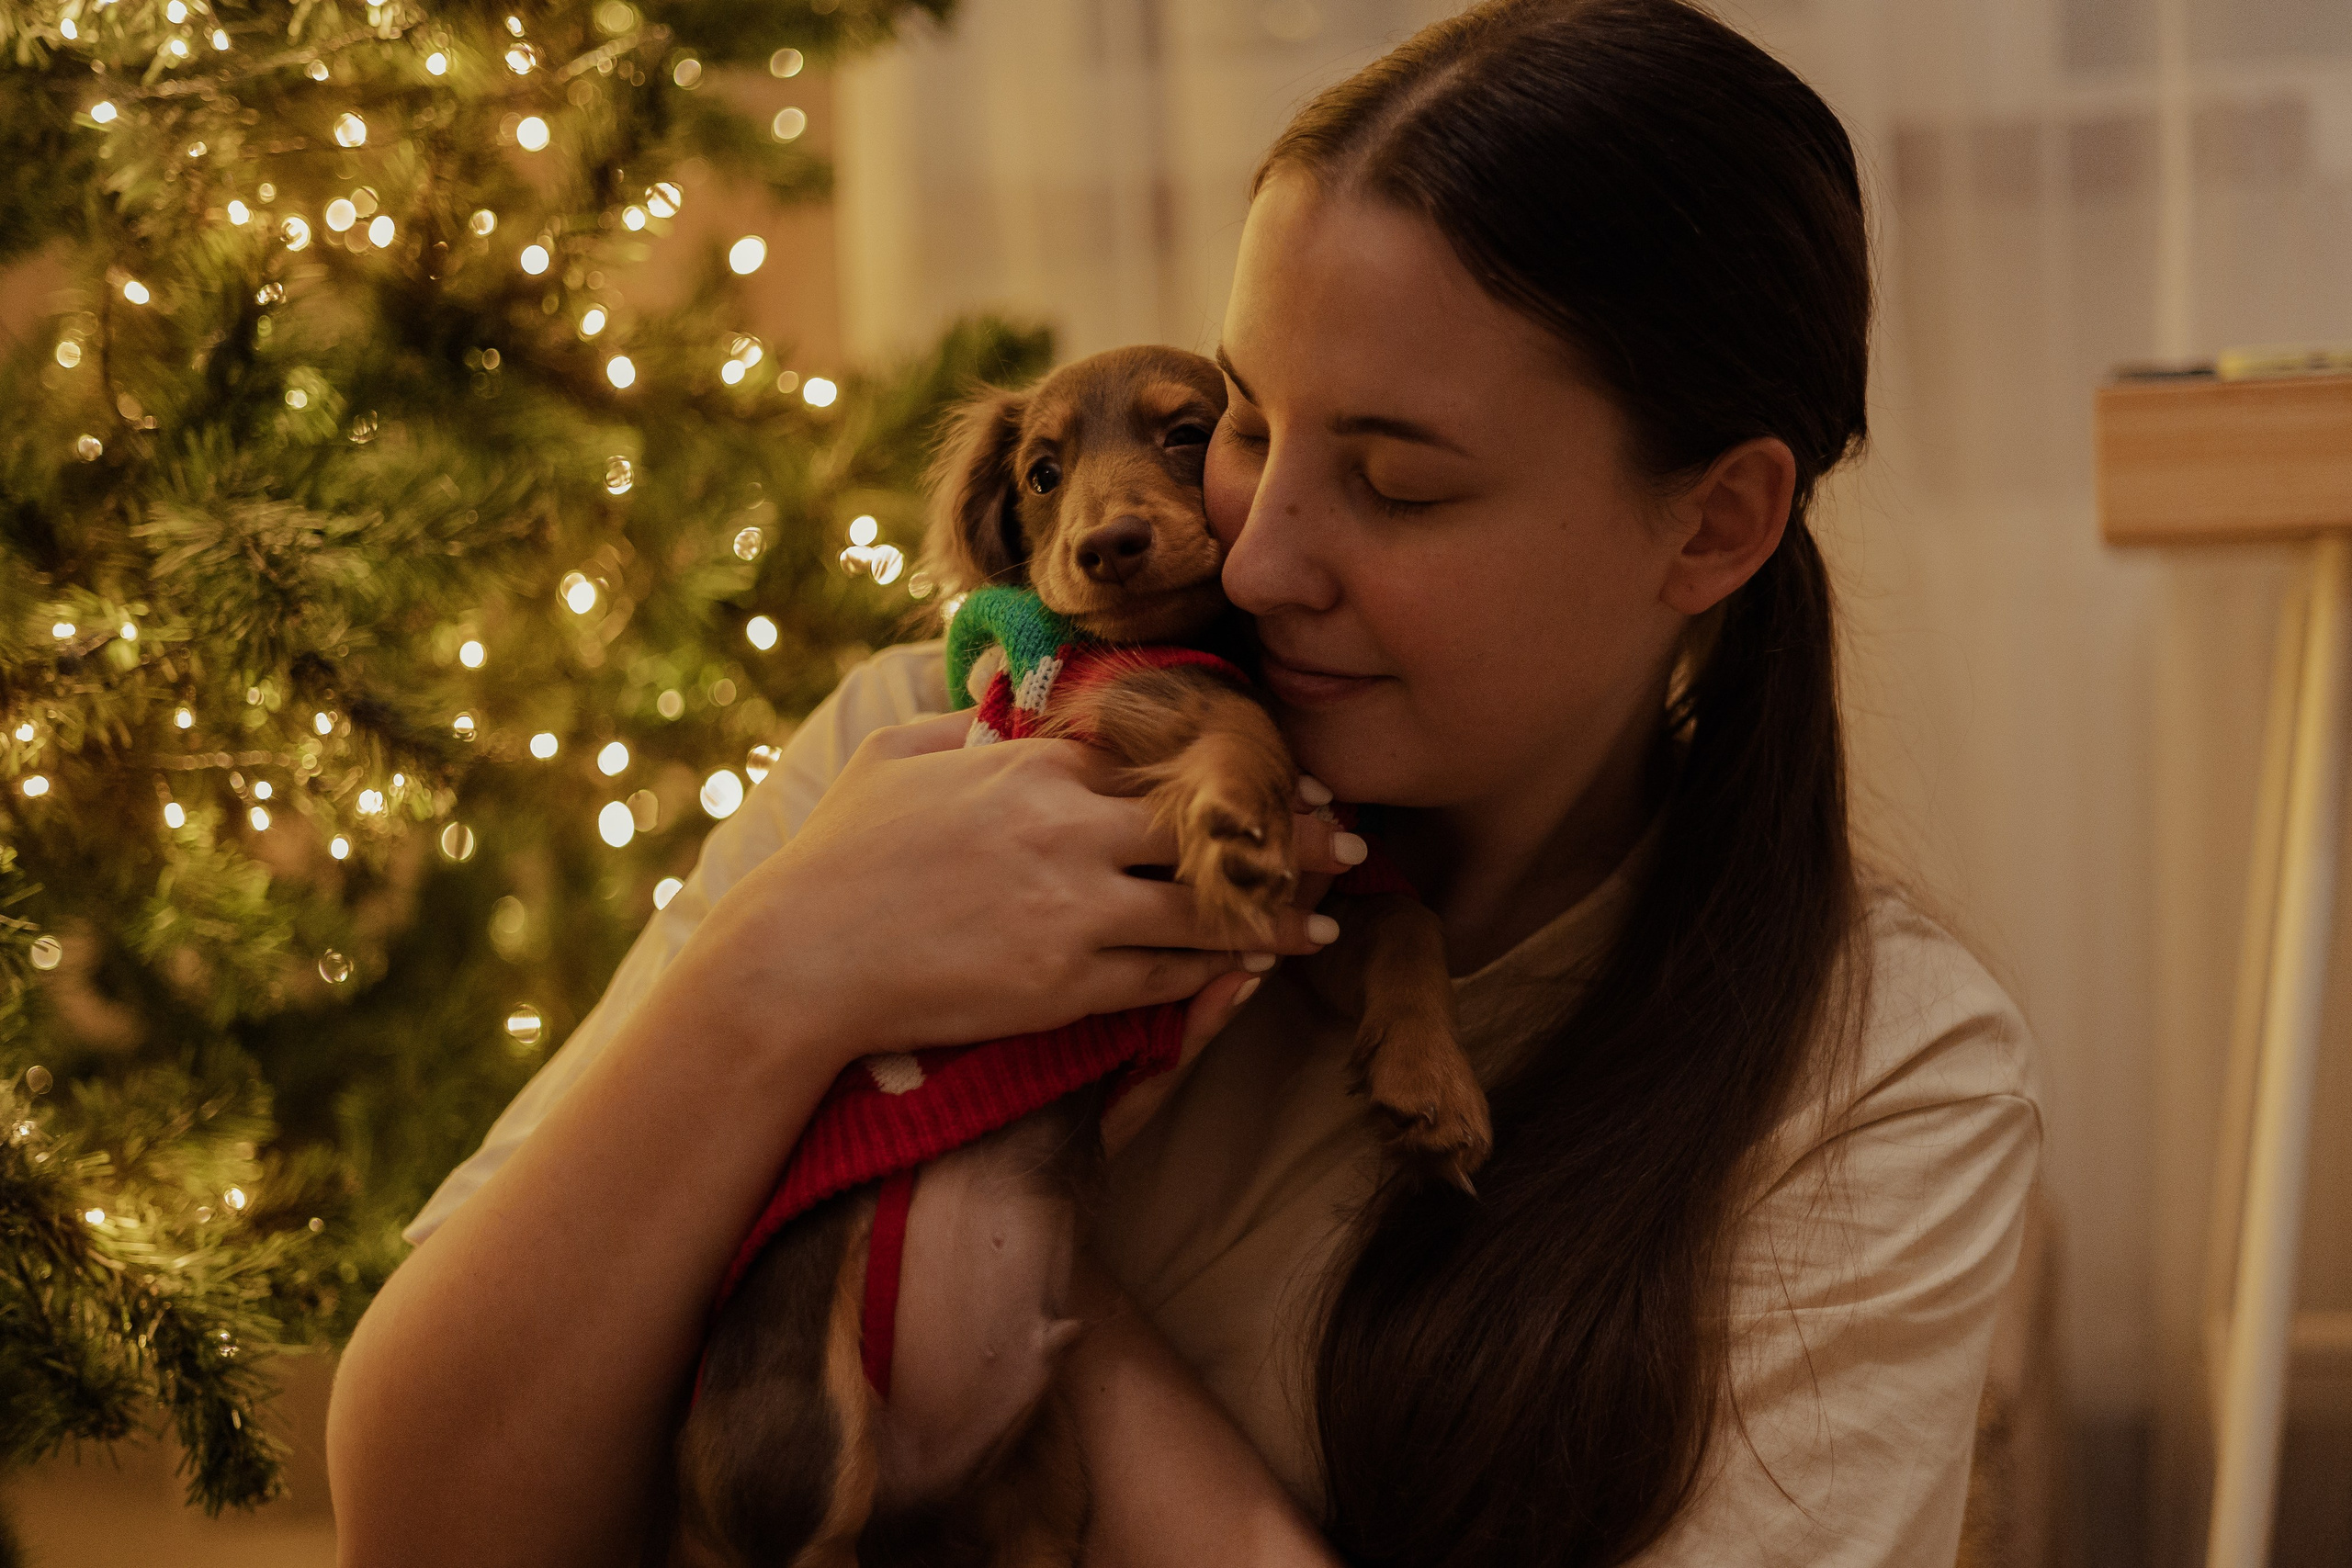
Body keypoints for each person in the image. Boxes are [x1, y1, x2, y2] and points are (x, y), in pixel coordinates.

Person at [326, 1, 2042, 1562]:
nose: (1260, 545)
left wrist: (1031, 1281)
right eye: (1245, 421)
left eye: (1395, 483)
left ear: (1716, 520)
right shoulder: (921, 757)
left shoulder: (1880, 1075)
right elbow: (424, 1517)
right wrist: (782, 971)